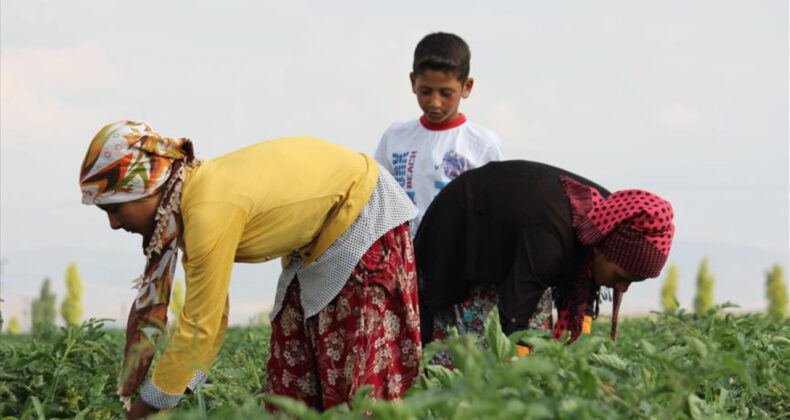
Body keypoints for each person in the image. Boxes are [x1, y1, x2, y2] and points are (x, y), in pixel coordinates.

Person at [79, 121, 422, 417]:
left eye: (115, 208)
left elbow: (202, 324)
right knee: (293, 377)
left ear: (146, 189)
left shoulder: (206, 210)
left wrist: (143, 410)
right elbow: (210, 317)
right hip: (315, 239)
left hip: (362, 217)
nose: (113, 223)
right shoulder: (190, 203)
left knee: (355, 383)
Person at [414, 161, 675, 358]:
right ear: (602, 249)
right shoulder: (552, 238)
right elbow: (515, 312)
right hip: (462, 232)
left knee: (536, 343)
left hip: (514, 241)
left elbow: (581, 298)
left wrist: (580, 359)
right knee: (471, 355)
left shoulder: (609, 219)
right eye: (622, 277)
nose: (621, 288)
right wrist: (515, 367)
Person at [374, 32, 504, 239]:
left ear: (466, 87)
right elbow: (378, 201)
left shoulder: (482, 144)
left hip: (457, 258)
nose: (435, 102)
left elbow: (492, 211)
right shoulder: (395, 137)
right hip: (403, 260)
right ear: (413, 82)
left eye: (445, 93)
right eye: (426, 91)